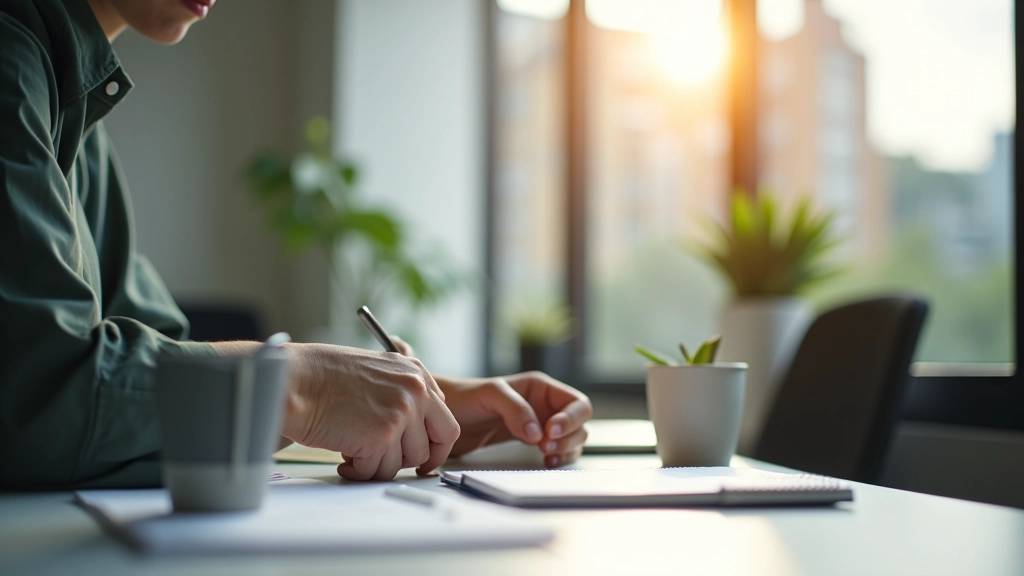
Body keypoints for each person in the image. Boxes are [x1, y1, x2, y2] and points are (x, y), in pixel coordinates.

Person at [0, 0, 592, 489]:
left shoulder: (74, 110)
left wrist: (423, 402)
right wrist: (304, 383)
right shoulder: (11, 59)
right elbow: (42, 398)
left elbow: (162, 364)